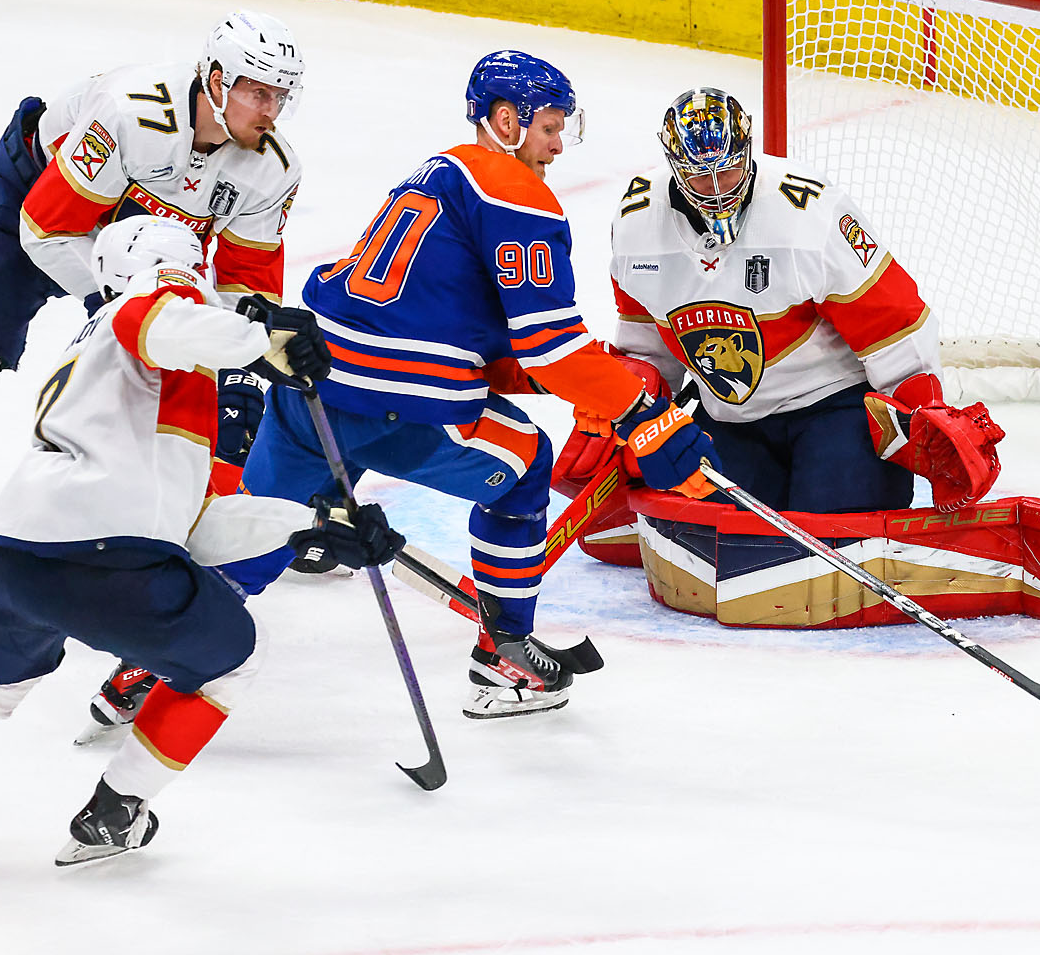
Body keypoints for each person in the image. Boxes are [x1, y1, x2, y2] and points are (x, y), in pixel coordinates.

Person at [0, 217, 402, 867]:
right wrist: (260, 341)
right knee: (235, 654)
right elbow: (164, 318)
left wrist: (312, 527)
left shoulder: (126, 360)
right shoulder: (151, 311)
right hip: (115, 565)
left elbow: (197, 524)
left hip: (13, 563)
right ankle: (114, 812)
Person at [224, 51, 721, 719]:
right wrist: (640, 412)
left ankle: (149, 664)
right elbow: (550, 346)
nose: (558, 142)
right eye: (548, 125)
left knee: (252, 533)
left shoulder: (438, 171)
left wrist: (589, 385)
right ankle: (505, 655)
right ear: (506, 120)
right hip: (398, 400)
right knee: (524, 465)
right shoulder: (515, 192)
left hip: (309, 382)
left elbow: (464, 326)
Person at [563, 87, 1040, 621]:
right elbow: (646, 338)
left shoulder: (806, 213)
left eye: (729, 168)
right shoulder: (637, 226)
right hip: (729, 415)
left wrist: (921, 409)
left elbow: (892, 320)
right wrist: (628, 401)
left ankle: (1019, 567)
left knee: (837, 537)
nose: (716, 188)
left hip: (831, 406)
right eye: (698, 174)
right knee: (729, 541)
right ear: (672, 166)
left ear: (749, 152)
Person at [0, 9, 306, 632]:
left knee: (207, 398)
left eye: (280, 96)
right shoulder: (134, 110)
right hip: (34, 211)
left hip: (134, 258)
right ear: (214, 81)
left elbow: (246, 289)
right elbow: (47, 231)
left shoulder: (272, 166)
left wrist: (248, 346)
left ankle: (170, 562)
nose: (270, 111)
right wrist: (120, 309)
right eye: (256, 92)